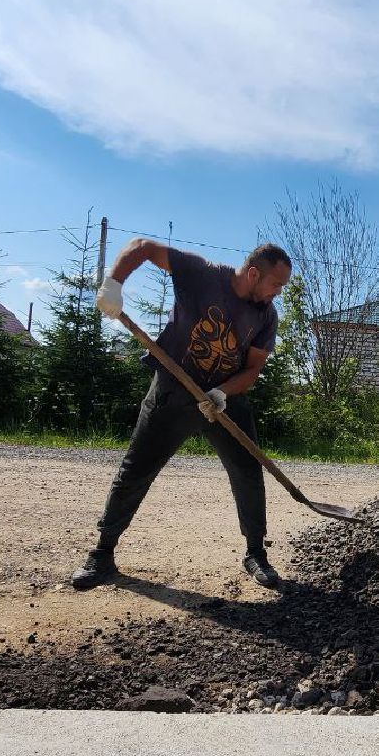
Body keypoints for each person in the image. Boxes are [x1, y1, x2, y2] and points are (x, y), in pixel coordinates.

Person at [72, 238, 292, 591]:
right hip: (173, 389)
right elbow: (142, 246)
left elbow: (252, 370)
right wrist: (113, 284)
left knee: (248, 472)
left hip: (223, 400)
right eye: (275, 284)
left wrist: (222, 393)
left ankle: (255, 554)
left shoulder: (265, 316)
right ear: (253, 274)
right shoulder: (201, 275)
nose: (276, 293)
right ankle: (102, 554)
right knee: (135, 469)